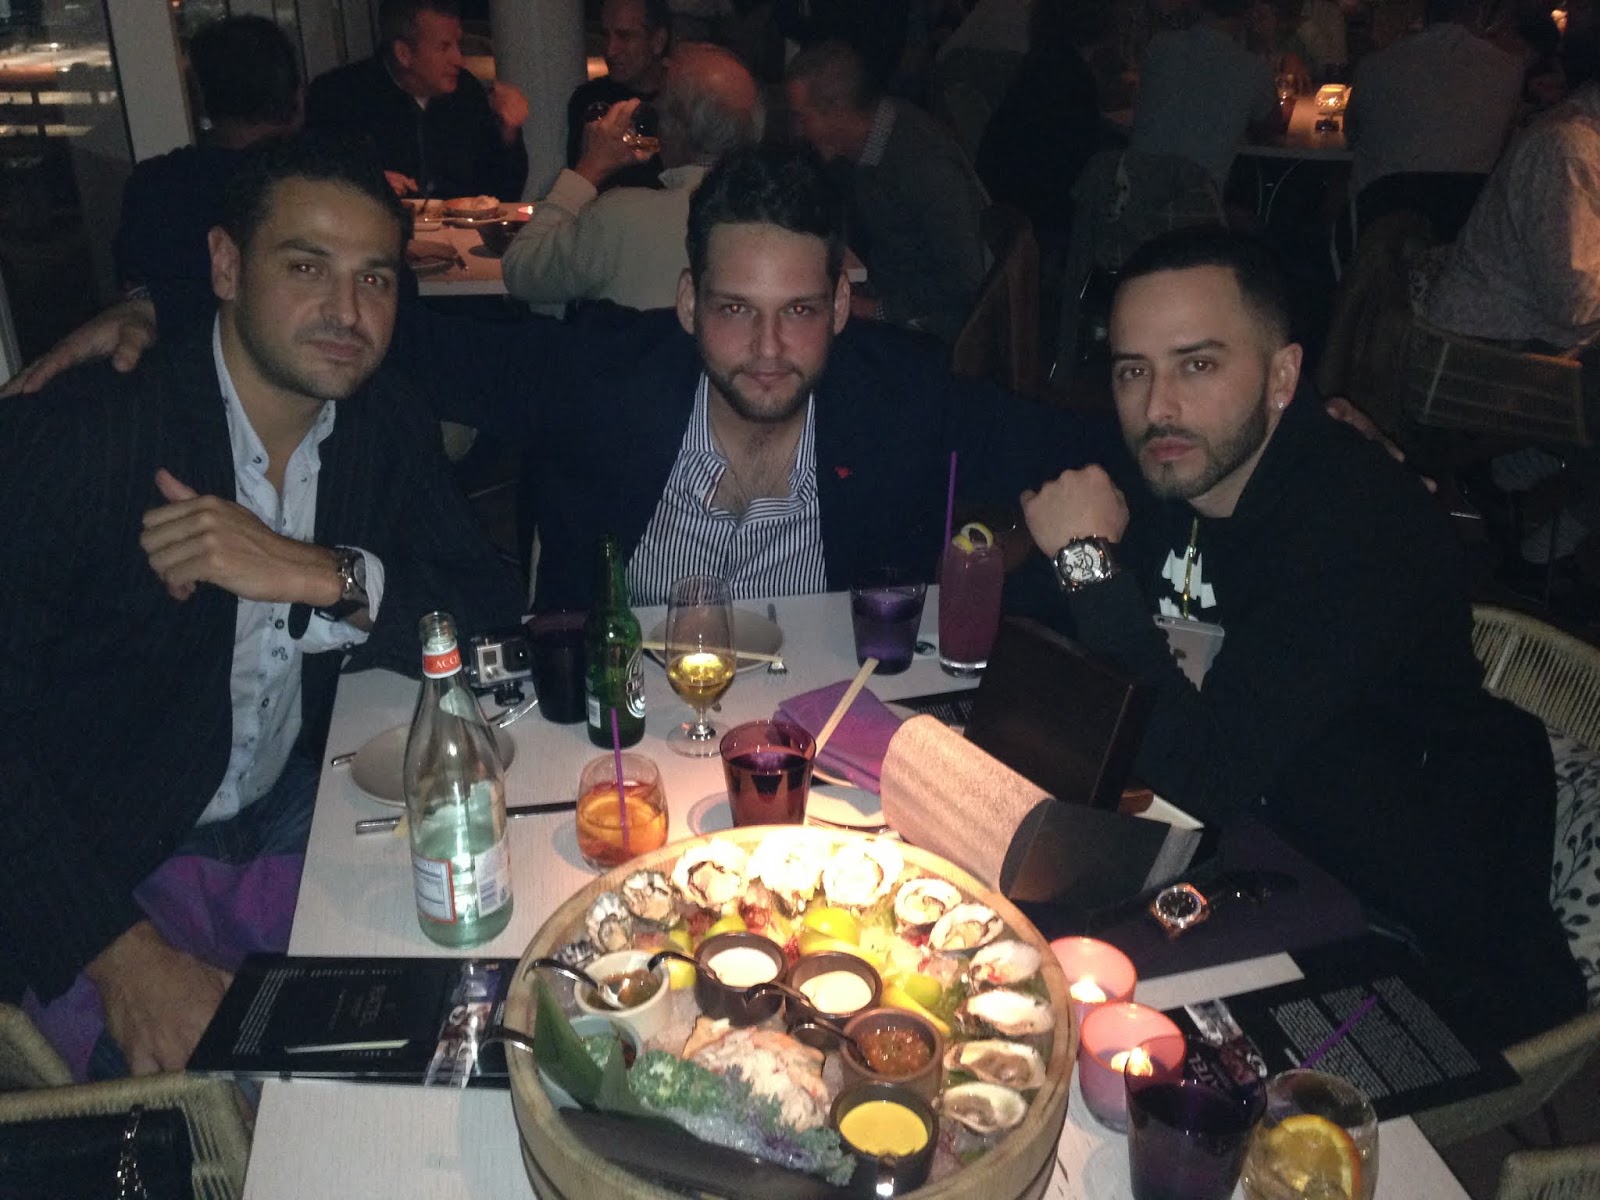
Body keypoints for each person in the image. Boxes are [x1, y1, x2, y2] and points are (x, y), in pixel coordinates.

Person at [5, 144, 1113, 611]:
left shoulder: (899, 397)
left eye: (799, 313)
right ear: (689, 304)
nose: (769, 349)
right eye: (736, 309)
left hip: (825, 759)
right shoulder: (601, 376)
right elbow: (374, 330)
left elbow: (1110, 458)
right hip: (612, 747)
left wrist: (1051, 566)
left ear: (841, 304)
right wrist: (170, 302)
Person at [0, 134, 525, 1079]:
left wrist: (321, 573)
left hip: (290, 812)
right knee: (230, 1117)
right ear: (225, 265)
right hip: (109, 865)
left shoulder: (379, 420)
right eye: (306, 267)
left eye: (375, 279)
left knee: (482, 1003)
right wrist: (119, 956)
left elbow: (485, 611)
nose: (347, 312)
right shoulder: (86, 439)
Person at [1020, 226, 1585, 1044]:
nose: (1158, 406)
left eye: (1198, 365)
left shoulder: (1357, 529)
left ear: (1283, 376)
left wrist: (1084, 563)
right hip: (1245, 859)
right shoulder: (1180, 465)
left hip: (1402, 932)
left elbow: (1207, 770)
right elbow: (1061, 646)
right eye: (1133, 370)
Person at [502, 42, 763, 312]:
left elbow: (520, 271)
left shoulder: (619, 216)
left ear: (672, 128)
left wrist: (589, 168)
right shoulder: (771, 217)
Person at [785, 39, 990, 342]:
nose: (798, 130)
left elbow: (966, 279)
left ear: (837, 110)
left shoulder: (922, 163)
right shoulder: (870, 144)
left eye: (803, 117)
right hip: (888, 295)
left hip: (931, 331)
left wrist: (878, 309)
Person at [113, 15, 304, 301]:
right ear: (296, 93)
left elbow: (135, 294)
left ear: (201, 97)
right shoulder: (318, 182)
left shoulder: (156, 188)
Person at [305, 0, 530, 201]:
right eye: (444, 47)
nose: (459, 60)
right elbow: (315, 181)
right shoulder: (341, 96)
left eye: (458, 44)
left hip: (462, 233)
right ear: (404, 53)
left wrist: (508, 133)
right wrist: (366, 185)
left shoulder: (466, 93)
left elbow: (502, 196)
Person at [1344, 0, 1525, 238]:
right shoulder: (1509, 69)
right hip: (1464, 223)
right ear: (1478, 11)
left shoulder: (1374, 65)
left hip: (1380, 221)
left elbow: (1351, 133)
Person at [1130, 0, 1282, 188]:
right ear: (1249, 12)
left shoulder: (1159, 46)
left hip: (1130, 190)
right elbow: (1271, 127)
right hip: (1194, 200)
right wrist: (1260, 46)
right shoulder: (1253, 68)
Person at [564, 0, 672, 193]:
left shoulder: (681, 100)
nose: (610, 49)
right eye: (605, 35)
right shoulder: (589, 99)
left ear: (657, 41)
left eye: (625, 36)